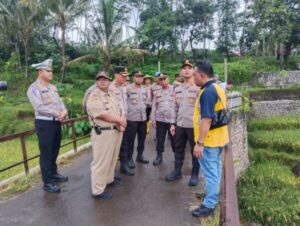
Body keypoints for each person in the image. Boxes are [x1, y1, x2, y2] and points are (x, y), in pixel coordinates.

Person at [192, 61, 229, 217]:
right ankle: (211, 195)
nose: (193, 78)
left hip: (209, 141)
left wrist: (200, 143)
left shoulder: (208, 92)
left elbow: (206, 119)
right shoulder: (217, 87)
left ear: (202, 75)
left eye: (195, 75)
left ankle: (209, 204)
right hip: (219, 137)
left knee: (211, 172)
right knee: (216, 169)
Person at [27, 59, 68, 193]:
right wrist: (57, 113)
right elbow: (39, 107)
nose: (51, 73)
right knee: (46, 153)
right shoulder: (33, 88)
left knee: (55, 150)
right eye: (48, 71)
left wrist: (64, 111)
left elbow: (60, 101)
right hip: (44, 123)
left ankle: (53, 173)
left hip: (56, 122)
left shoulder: (52, 87)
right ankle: (47, 182)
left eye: (51, 71)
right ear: (40, 72)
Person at [86, 71, 126, 200]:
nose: (102, 81)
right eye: (99, 79)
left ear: (109, 81)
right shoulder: (94, 96)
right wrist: (120, 121)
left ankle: (109, 180)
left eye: (105, 79)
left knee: (113, 158)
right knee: (101, 161)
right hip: (102, 132)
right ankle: (97, 190)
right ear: (96, 81)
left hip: (115, 130)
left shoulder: (111, 94)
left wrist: (122, 121)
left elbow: (120, 108)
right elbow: (102, 114)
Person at [165, 60, 200, 186]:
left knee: (194, 150)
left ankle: (195, 173)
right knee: (178, 148)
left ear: (193, 71)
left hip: (193, 125)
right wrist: (172, 124)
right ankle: (177, 171)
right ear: (181, 71)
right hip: (180, 124)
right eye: (184, 68)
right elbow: (174, 107)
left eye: (189, 68)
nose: (186, 70)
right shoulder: (177, 88)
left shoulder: (198, 87)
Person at [109, 66, 134, 176]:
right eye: (123, 76)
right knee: (114, 147)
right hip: (115, 122)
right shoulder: (110, 88)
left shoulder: (124, 87)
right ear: (116, 75)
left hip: (125, 119)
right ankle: (111, 171)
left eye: (126, 76)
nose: (125, 78)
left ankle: (123, 165)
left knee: (125, 144)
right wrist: (118, 121)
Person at [150, 73, 176, 165]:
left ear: (168, 79)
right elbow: (153, 106)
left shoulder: (175, 90)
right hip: (160, 119)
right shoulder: (157, 92)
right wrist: (153, 119)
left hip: (171, 120)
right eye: (161, 80)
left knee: (174, 139)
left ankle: (176, 156)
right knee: (160, 139)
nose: (163, 81)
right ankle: (159, 156)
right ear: (159, 81)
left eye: (165, 79)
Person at [126, 70, 150, 168]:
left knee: (142, 139)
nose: (139, 78)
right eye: (137, 76)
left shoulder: (144, 89)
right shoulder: (127, 88)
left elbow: (147, 102)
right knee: (130, 140)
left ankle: (140, 156)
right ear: (133, 78)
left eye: (141, 76)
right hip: (131, 119)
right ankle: (129, 158)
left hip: (143, 119)